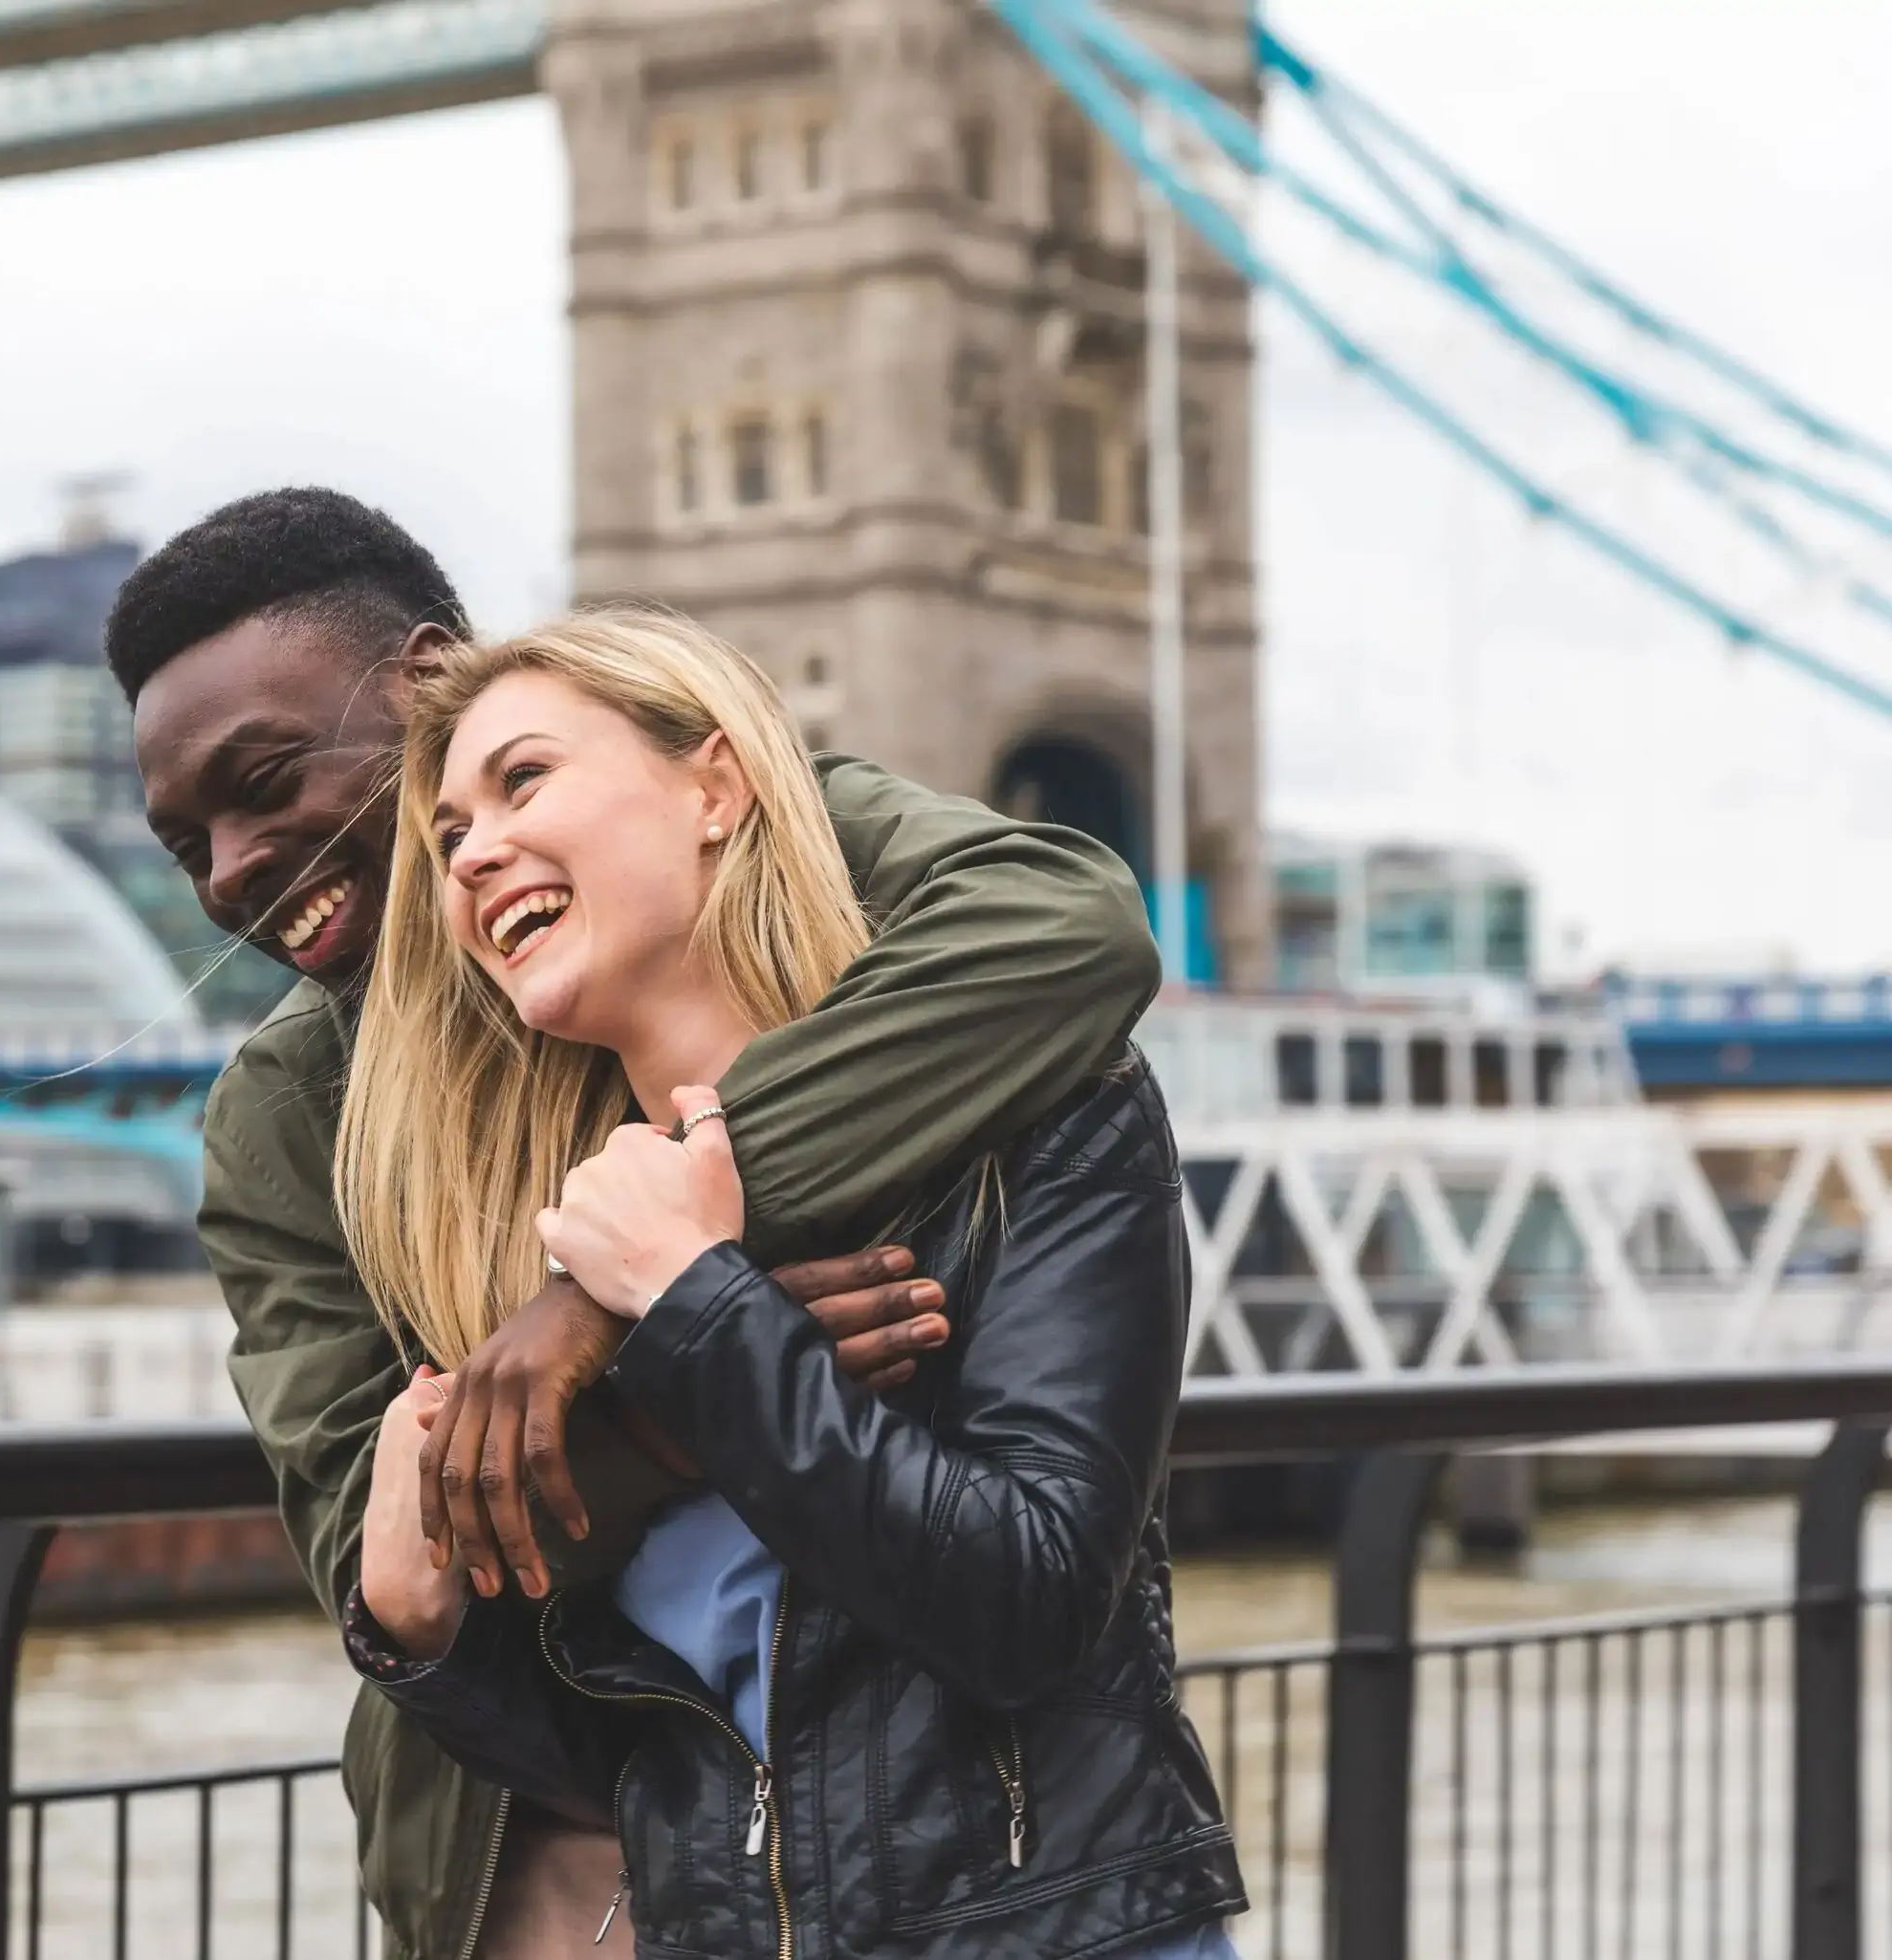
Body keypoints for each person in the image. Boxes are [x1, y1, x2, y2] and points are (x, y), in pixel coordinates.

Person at [114, 489, 1163, 1959]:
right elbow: (398, 1573)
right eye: (185, 844)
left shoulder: (718, 810)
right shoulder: (291, 1109)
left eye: (265, 776)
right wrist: (668, 1387)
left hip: (936, 1855)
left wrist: (613, 1295)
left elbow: (1074, 928)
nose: (228, 869)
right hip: (540, 1840)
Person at [339, 611, 1242, 1956]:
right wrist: (417, 1627)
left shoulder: (1047, 1115)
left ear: (716, 787)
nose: (471, 850)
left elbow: (1030, 1608)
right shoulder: (554, 1246)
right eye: (450, 831)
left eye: (521, 780)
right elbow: (631, 1762)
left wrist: (696, 1299)